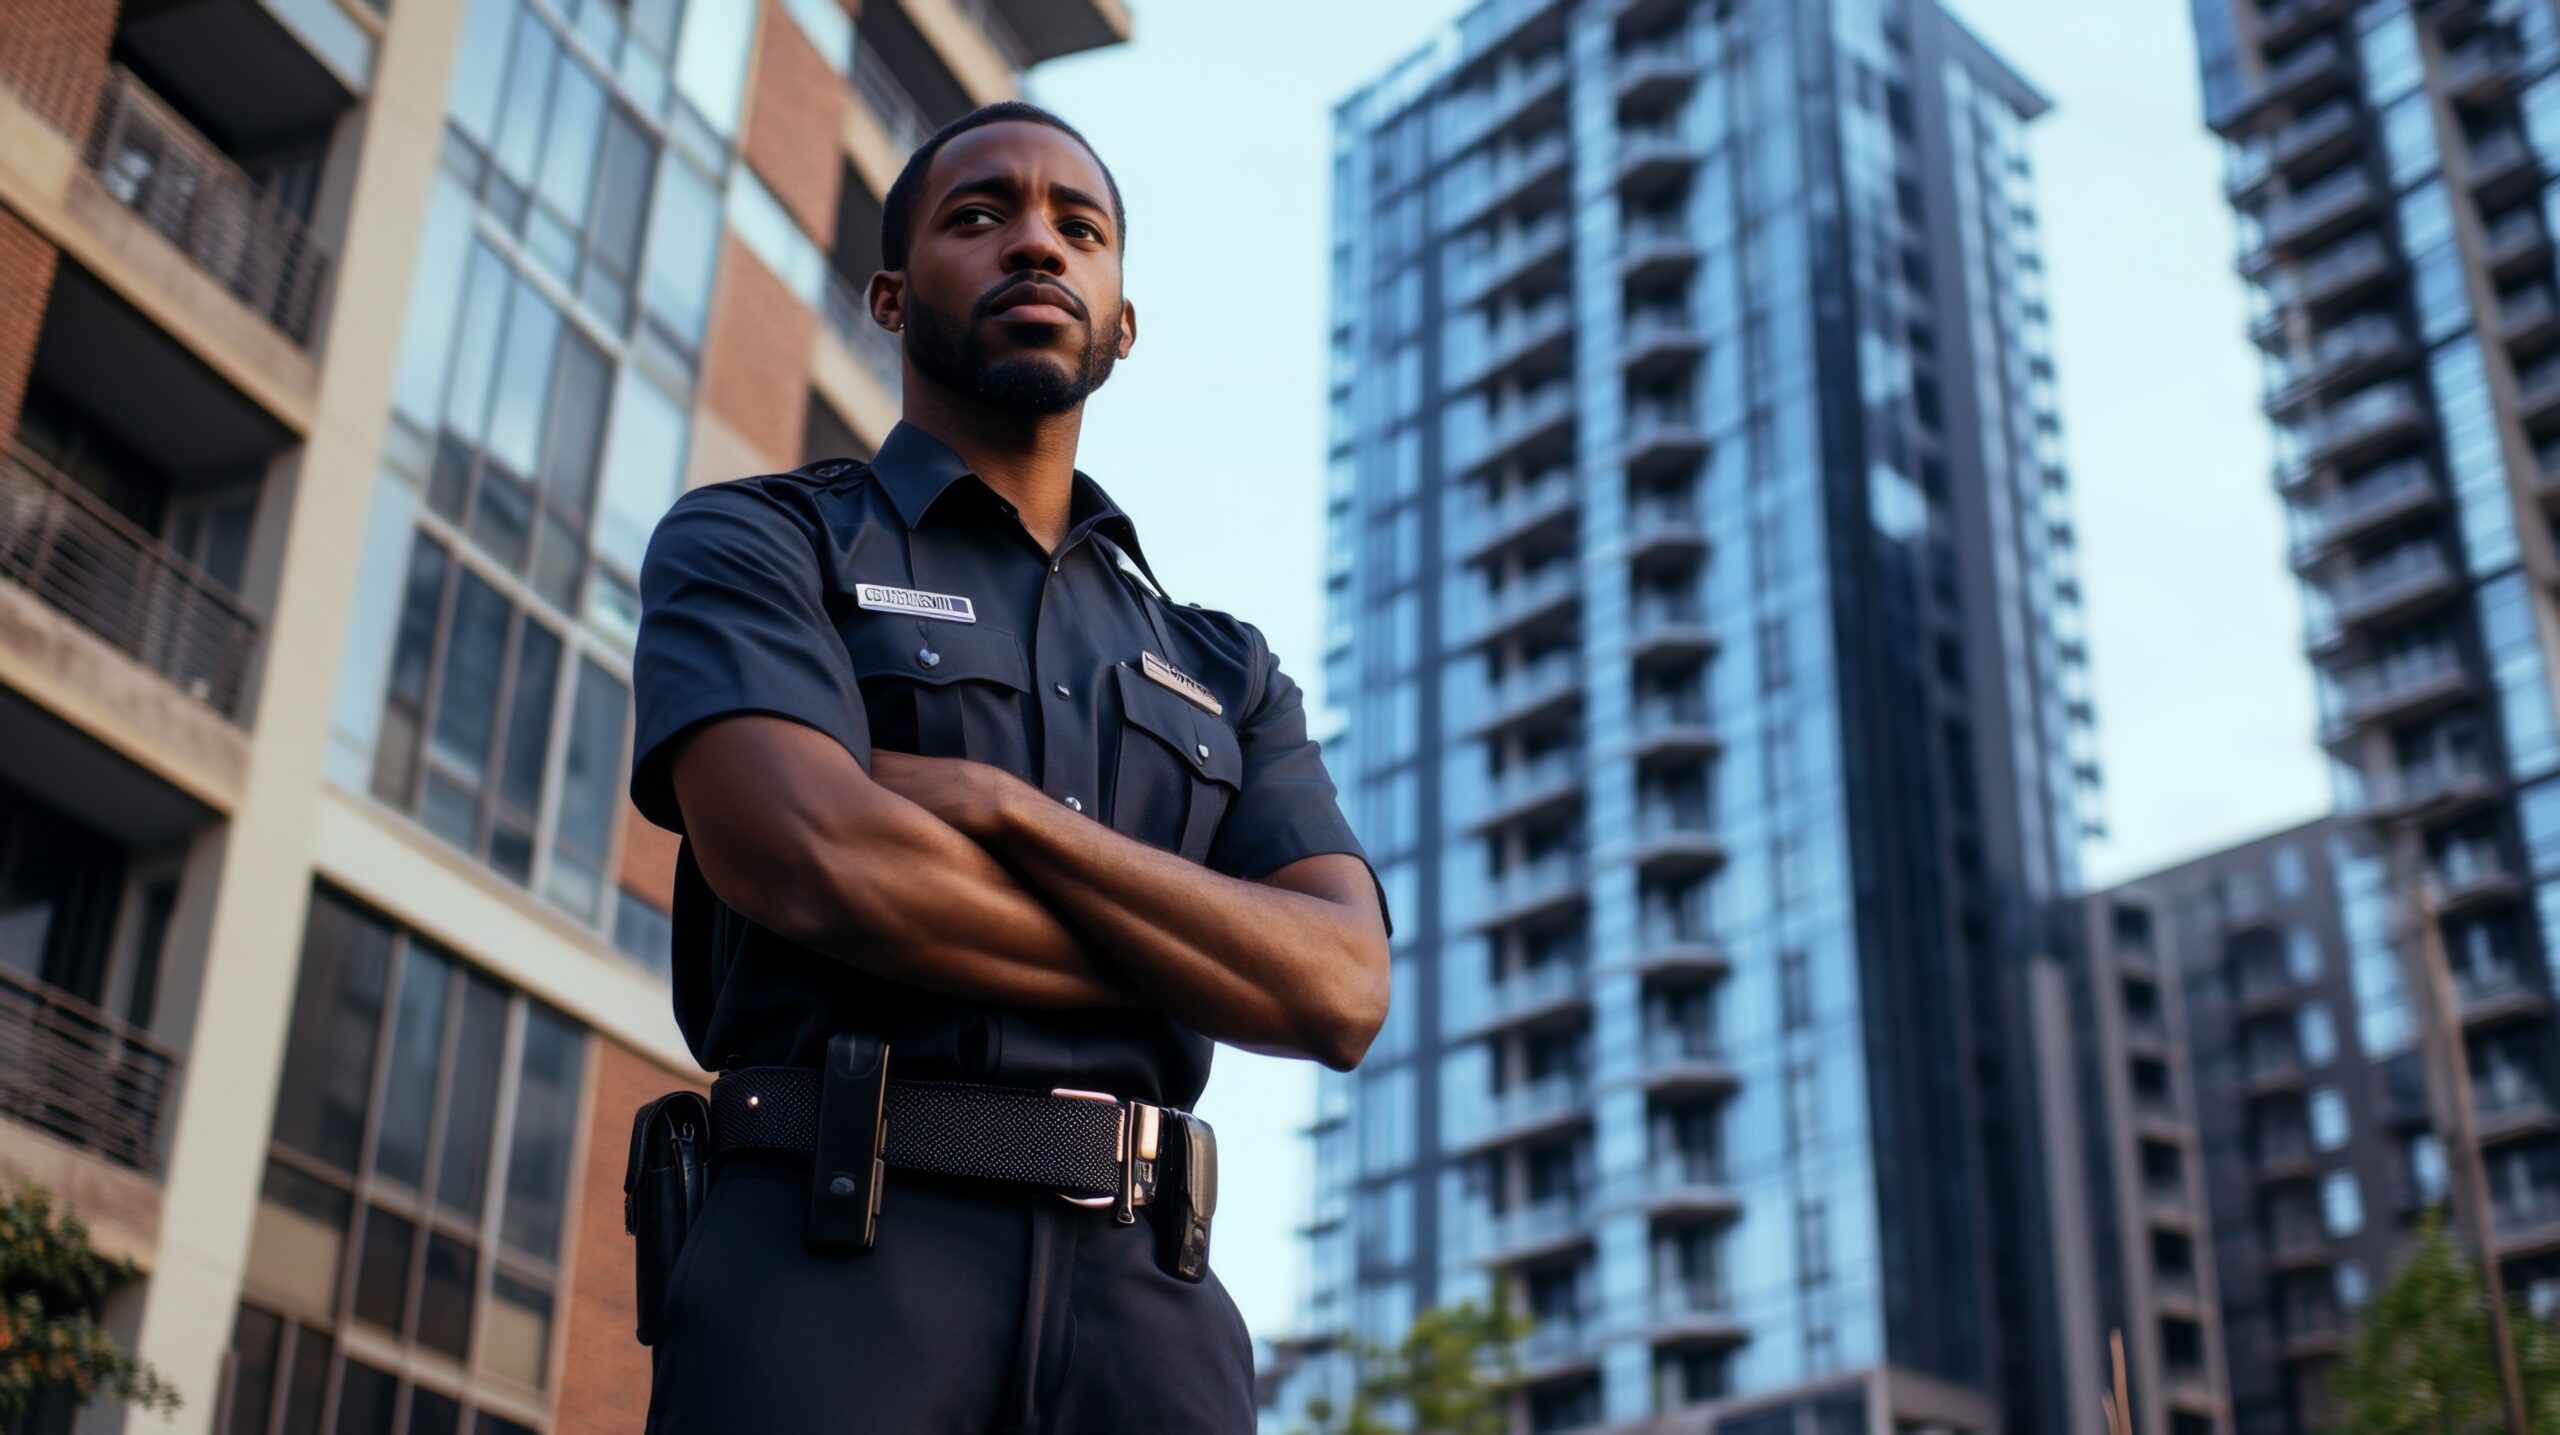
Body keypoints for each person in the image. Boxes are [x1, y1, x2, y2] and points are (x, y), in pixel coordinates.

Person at [626, 100, 1391, 1434]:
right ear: (888, 295)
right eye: (979, 217)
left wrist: (1002, 813)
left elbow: (1339, 985)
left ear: (1122, 318)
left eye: (1076, 228)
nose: (1035, 245)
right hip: (834, 1255)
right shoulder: (760, 546)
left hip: (1155, 1306)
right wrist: (1207, 958)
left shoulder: (1228, 668)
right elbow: (809, 861)